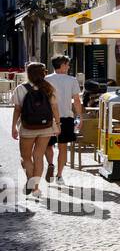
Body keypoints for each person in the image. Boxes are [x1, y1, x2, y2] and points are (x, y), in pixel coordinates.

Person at [11, 61, 59, 200]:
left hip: (27, 127)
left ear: (28, 73)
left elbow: (18, 109)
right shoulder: (49, 88)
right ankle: (36, 188)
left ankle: (30, 180)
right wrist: (58, 124)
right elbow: (55, 108)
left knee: (25, 157)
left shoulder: (21, 88)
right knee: (38, 156)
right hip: (46, 127)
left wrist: (14, 126)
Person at [44, 55, 83, 186]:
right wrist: (80, 116)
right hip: (66, 117)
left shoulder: (46, 79)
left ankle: (50, 163)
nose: (69, 66)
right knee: (63, 147)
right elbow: (76, 100)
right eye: (67, 64)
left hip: (49, 118)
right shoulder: (72, 80)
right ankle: (59, 175)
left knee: (47, 145)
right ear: (62, 65)